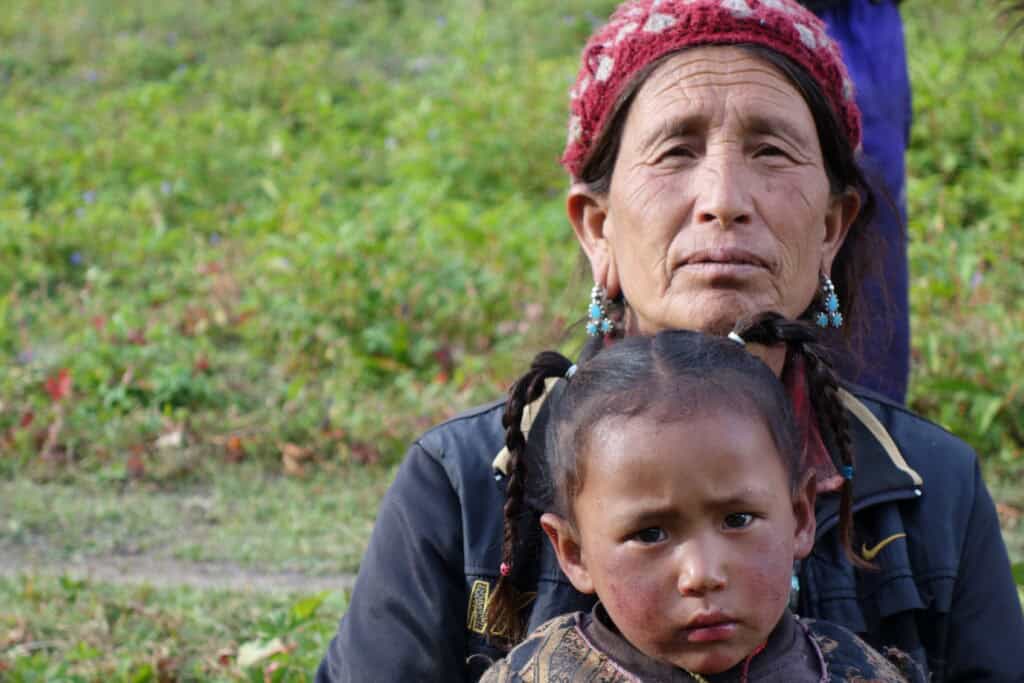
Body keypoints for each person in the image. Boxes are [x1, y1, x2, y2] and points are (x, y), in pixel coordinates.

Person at [315, 1, 1024, 680]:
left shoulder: (933, 490)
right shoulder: (460, 484)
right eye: (676, 151)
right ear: (598, 229)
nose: (724, 199)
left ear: (832, 230)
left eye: (771, 151)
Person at [479, 317, 924, 682]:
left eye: (738, 519)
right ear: (574, 553)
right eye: (650, 534)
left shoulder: (860, 672)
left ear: (800, 516)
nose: (702, 575)